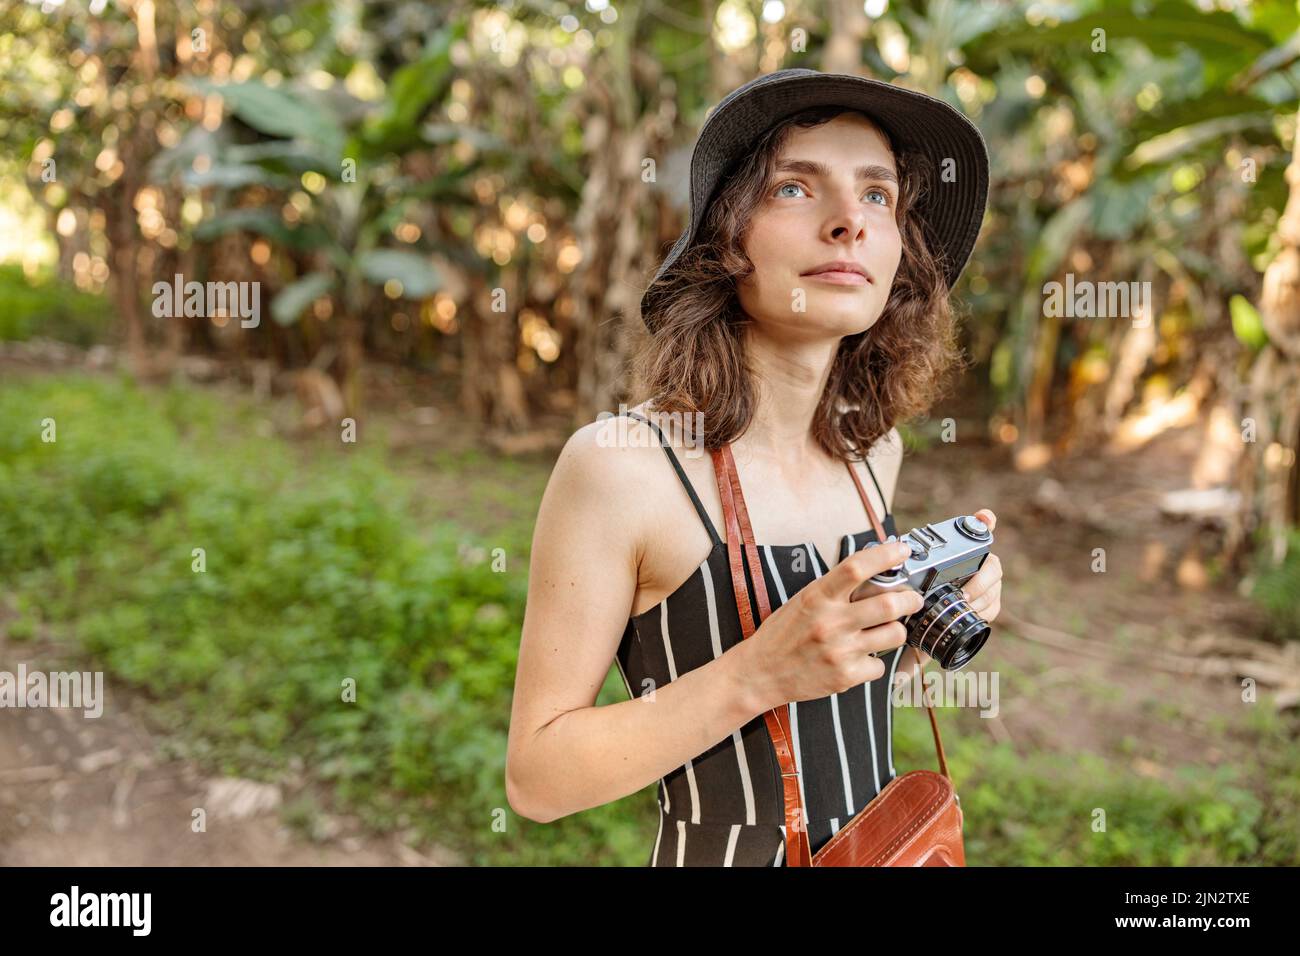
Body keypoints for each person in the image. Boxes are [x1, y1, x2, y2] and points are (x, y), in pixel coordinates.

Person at [506, 68, 1004, 866]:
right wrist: (755, 674)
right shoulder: (622, 467)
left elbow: (834, 705)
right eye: (796, 189)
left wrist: (915, 630)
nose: (849, 221)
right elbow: (535, 779)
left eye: (877, 196)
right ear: (727, 239)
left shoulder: (874, 450)